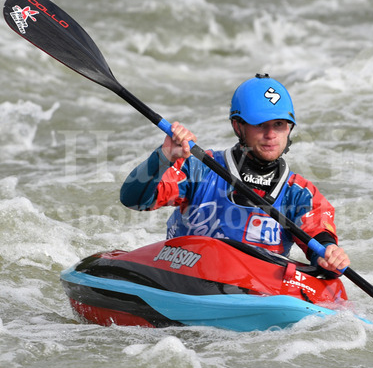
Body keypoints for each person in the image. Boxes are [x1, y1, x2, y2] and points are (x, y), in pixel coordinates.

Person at [119, 74, 350, 273]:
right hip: (186, 276)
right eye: (261, 124)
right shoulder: (198, 168)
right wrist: (164, 155)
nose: (271, 134)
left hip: (253, 289)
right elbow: (134, 199)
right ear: (238, 126)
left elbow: (320, 242)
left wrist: (328, 256)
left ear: (289, 129)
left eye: (279, 124)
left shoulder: (300, 194)